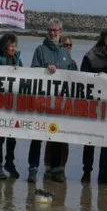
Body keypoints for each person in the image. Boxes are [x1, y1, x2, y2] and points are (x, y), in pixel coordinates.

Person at [28, 23, 77, 181]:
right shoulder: (39, 50)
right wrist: (45, 70)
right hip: (43, 102)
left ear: (60, 32)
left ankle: (58, 170)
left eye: (55, 30)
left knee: (60, 135)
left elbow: (74, 75)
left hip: (61, 103)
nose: (52, 33)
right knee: (37, 136)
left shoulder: (65, 52)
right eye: (50, 30)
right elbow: (33, 71)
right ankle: (34, 169)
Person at [79, 30, 107, 183]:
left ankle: (103, 173)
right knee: (90, 141)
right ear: (105, 39)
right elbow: (82, 78)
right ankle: (87, 172)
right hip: (94, 105)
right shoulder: (90, 56)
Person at [0, 32, 25, 179]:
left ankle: (9, 163)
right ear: (4, 47)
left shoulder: (17, 60)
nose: (13, 49)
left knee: (12, 137)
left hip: (13, 104)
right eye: (11, 46)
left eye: (14, 46)